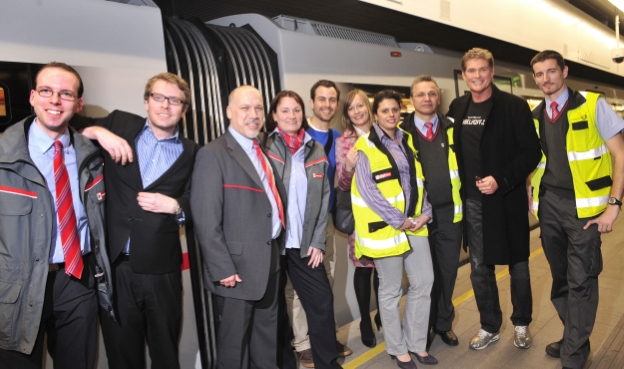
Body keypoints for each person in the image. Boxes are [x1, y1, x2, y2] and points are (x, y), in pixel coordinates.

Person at [72, 72, 198, 368]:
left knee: (165, 352)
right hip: (114, 267)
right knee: (121, 354)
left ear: (184, 109)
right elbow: (66, 126)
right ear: (146, 101)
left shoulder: (193, 153)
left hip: (162, 271)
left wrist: (176, 206)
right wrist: (97, 132)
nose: (166, 105)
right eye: (159, 97)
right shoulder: (118, 124)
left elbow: (202, 203)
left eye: (175, 100)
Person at [0, 62, 113, 368]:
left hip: (76, 280)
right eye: (47, 91)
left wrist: (103, 131)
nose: (55, 100)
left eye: (65, 94)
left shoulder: (93, 156)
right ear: (33, 97)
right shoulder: (4, 156)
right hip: (16, 285)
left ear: (78, 104)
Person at [529, 50, 624, 369]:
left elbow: (620, 156)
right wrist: (532, 193)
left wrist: (613, 206)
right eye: (539, 74)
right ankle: (575, 338)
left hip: (586, 211)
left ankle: (573, 354)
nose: (546, 79)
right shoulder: (538, 113)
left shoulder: (593, 105)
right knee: (560, 280)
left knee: (581, 279)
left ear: (564, 71)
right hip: (550, 208)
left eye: (551, 71)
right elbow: (539, 159)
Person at [447, 48, 541, 350]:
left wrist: (500, 179)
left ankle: (522, 323)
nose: (477, 76)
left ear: (492, 71)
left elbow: (531, 152)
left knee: (519, 267)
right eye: (471, 71)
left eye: (482, 70)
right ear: (464, 75)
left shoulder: (514, 106)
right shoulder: (458, 106)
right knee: (478, 268)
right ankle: (490, 325)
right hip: (473, 203)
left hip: (506, 201)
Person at [191, 85, 286, 369]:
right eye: (245, 108)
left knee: (266, 343)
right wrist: (223, 269)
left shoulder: (261, 151)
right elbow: (206, 219)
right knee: (234, 352)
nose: (253, 114)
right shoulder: (214, 154)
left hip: (268, 264)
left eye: (258, 108)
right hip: (236, 271)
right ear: (229, 112)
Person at [353, 90, 436, 369]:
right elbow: (367, 190)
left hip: (414, 224)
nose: (391, 114)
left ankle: (417, 344)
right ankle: (397, 348)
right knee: (390, 291)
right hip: (388, 228)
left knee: (423, 282)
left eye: (395, 110)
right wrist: (397, 219)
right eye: (385, 110)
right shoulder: (366, 145)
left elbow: (417, 180)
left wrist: (426, 212)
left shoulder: (406, 139)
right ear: (375, 114)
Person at [265, 90, 342, 369]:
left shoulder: (315, 149)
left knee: (321, 301)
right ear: (274, 115)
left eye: (296, 110)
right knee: (273, 310)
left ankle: (328, 363)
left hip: (304, 243)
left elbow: (323, 201)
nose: (291, 116)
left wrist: (319, 241)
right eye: (284, 111)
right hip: (272, 244)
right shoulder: (264, 146)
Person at [286, 79, 351, 367]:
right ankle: (303, 342)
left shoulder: (337, 137)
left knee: (328, 279)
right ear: (311, 103)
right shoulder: (298, 134)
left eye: (332, 100)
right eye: (321, 99)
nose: (327, 105)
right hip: (299, 222)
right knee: (299, 287)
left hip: (324, 220)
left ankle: (323, 336)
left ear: (337, 104)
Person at [399, 75, 462, 348]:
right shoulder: (400, 133)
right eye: (421, 94)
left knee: (447, 273)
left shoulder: (453, 129)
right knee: (424, 277)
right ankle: (424, 325)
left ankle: (444, 323)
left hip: (449, 214)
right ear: (411, 100)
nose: (427, 98)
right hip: (418, 219)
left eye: (432, 93)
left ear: (438, 98)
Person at [334, 89, 381, 348]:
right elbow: (343, 183)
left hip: (387, 212)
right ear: (347, 114)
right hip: (361, 215)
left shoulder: (383, 132)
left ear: (368, 107)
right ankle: (365, 319)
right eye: (351, 108)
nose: (357, 111)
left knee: (385, 269)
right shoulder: (344, 142)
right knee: (364, 269)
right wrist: (349, 167)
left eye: (360, 105)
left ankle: (383, 314)